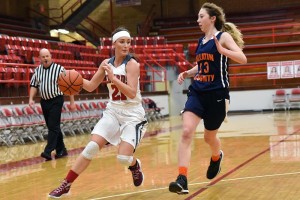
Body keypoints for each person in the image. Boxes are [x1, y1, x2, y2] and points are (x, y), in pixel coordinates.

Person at [48, 27, 148, 198]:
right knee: (91, 147)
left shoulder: (132, 64)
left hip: (132, 115)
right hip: (113, 112)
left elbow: (131, 92)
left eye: (128, 42)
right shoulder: (106, 64)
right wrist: (74, 78)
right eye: (122, 42)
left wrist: (114, 78)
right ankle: (66, 184)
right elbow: (91, 86)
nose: (126, 45)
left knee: (123, 158)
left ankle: (134, 165)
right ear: (114, 43)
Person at [169, 2, 247, 195]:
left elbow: (242, 58)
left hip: (217, 94)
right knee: (187, 131)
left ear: (212, 18)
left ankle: (216, 156)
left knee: (208, 137)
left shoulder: (223, 37)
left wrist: (223, 51)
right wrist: (187, 72)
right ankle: (182, 179)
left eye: (201, 16)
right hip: (197, 91)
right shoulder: (200, 41)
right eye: (197, 17)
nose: (198, 20)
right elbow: (202, 66)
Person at [29, 48, 75, 161]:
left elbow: (69, 85)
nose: (45, 58)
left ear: (51, 56)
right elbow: (34, 85)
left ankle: (48, 151)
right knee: (52, 126)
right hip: (44, 101)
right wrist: (31, 99)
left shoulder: (59, 69)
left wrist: (72, 102)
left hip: (56, 100)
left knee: (53, 126)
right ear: (39, 58)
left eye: (47, 56)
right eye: (43, 57)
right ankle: (61, 150)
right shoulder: (37, 70)